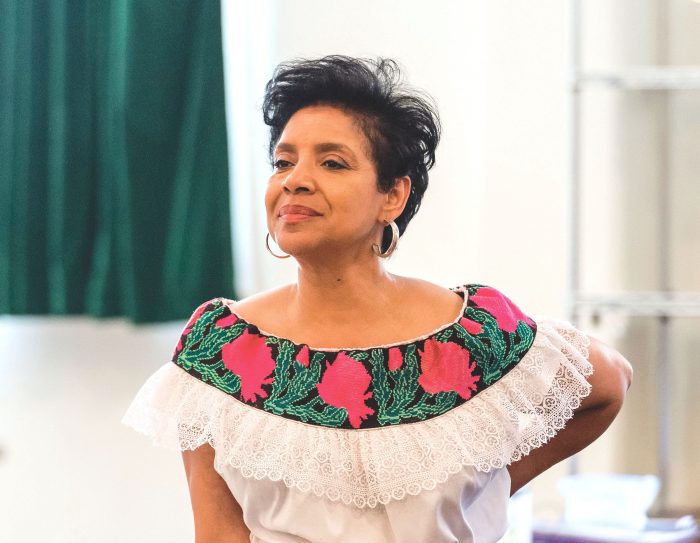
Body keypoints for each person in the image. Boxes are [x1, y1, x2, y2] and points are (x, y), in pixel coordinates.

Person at [122, 55, 633, 543]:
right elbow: (220, 533)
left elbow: (608, 383)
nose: (295, 180)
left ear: (392, 196)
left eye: (333, 162)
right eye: (283, 162)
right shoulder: (222, 349)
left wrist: (488, 483)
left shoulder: (469, 332)